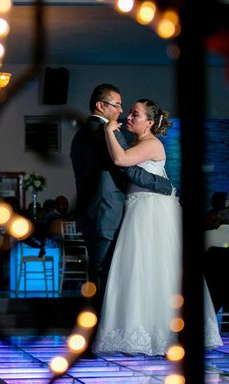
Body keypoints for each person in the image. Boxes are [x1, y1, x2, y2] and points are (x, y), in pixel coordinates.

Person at [94, 98, 222, 355]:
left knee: (153, 270)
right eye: (129, 113)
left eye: (135, 114)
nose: (129, 117)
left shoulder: (152, 144)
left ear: (150, 123)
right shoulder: (140, 142)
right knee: (139, 272)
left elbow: (121, 160)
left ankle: (165, 332)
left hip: (150, 210)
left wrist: (109, 129)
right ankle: (143, 331)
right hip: (139, 207)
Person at [70, 84, 173, 313]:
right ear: (101, 105)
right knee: (105, 277)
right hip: (107, 213)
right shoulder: (107, 132)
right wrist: (165, 185)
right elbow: (129, 169)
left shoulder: (81, 133)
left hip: (93, 213)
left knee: (101, 276)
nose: (121, 111)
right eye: (117, 105)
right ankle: (99, 333)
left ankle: (97, 331)